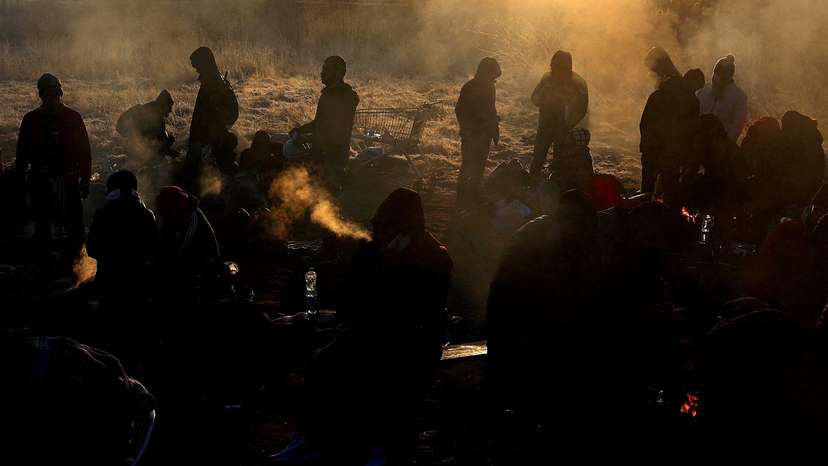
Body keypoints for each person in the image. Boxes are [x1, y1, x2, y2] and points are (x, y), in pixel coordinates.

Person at [289, 188, 452, 463]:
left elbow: (416, 314)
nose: (383, 233)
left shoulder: (435, 259)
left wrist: (392, 270)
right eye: (381, 226)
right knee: (320, 368)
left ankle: (384, 450)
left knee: (386, 385)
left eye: (392, 228)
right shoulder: (370, 248)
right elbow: (351, 295)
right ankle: (310, 439)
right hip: (366, 335)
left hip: (410, 345)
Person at [16, 73, 91, 279]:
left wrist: (85, 181)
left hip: (68, 181)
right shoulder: (31, 120)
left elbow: (84, 151)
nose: (50, 99)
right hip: (41, 181)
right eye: (46, 95)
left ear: (60, 94)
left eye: (54, 94)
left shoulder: (72, 118)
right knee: (42, 228)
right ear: (41, 96)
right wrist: (21, 186)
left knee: (74, 228)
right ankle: (44, 270)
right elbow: (22, 155)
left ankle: (76, 270)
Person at [291, 56, 359, 190]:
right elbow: (318, 124)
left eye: (326, 69)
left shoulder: (345, 98)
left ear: (339, 73)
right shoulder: (329, 94)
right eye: (323, 69)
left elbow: (334, 134)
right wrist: (300, 130)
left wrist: (304, 138)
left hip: (332, 155)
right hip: (322, 150)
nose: (322, 73)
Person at [639, 46, 699, 199]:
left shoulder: (659, 96)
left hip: (659, 150)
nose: (651, 74)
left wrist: (647, 147)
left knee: (648, 191)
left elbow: (646, 124)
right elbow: (691, 128)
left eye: (652, 70)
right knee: (670, 192)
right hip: (675, 151)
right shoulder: (690, 97)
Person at [87, 170, 157, 300]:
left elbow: (92, 249)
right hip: (138, 283)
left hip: (108, 283)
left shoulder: (102, 215)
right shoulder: (147, 215)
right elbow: (153, 249)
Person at [185, 47, 239, 190]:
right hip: (209, 134)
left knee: (210, 169)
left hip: (210, 135)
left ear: (204, 63)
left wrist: (200, 138)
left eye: (197, 65)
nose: (196, 69)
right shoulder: (213, 81)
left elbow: (205, 114)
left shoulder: (212, 83)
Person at [530, 50, 589, 177]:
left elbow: (581, 110)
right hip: (545, 125)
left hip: (566, 129)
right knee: (538, 158)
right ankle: (532, 184)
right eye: (552, 66)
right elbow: (534, 97)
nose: (553, 70)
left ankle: (557, 187)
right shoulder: (547, 78)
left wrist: (567, 126)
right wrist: (545, 100)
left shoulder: (577, 83)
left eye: (557, 67)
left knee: (561, 161)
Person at [154, 186, 221, 295]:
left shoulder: (191, 215)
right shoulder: (175, 212)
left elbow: (183, 241)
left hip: (203, 261)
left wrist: (170, 264)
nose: (164, 215)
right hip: (191, 259)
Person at [455, 57, 501, 208]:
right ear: (488, 72)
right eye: (493, 75)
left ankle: (470, 195)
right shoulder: (474, 87)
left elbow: (489, 110)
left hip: (481, 133)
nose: (494, 79)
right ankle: (464, 196)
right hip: (475, 133)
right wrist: (470, 128)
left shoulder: (482, 86)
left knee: (477, 164)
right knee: (470, 164)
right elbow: (461, 110)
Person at [116, 90, 177, 162]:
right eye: (169, 107)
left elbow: (162, 137)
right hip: (130, 135)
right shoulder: (155, 116)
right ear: (163, 106)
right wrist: (170, 153)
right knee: (161, 144)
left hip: (132, 133)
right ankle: (139, 156)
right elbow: (159, 140)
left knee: (168, 140)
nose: (170, 110)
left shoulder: (154, 108)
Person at [698, 54, 748, 141]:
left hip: (718, 146)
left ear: (728, 77)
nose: (715, 79)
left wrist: (723, 146)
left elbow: (736, 128)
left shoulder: (739, 97)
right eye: (715, 74)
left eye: (719, 76)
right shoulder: (705, 90)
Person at [780, 110, 825, 206]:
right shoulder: (812, 139)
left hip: (804, 193)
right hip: (811, 190)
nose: (783, 131)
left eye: (785, 127)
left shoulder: (803, 143)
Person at [547, 127, 594, 195]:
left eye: (570, 138)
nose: (567, 139)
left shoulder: (570, 154)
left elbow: (555, 168)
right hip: (583, 187)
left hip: (569, 187)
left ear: (575, 142)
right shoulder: (585, 153)